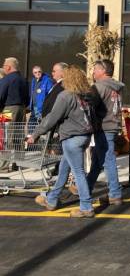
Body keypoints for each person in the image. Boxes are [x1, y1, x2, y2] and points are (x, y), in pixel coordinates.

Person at [29, 66, 97, 218]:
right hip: (84, 136)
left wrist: (35, 134)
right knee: (64, 170)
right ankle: (52, 200)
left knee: (78, 173)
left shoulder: (66, 96)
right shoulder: (85, 96)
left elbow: (52, 118)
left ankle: (86, 206)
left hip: (72, 138)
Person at [84, 59, 124, 205]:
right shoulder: (115, 87)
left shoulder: (99, 86)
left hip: (104, 127)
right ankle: (86, 187)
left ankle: (115, 193)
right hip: (112, 125)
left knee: (108, 160)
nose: (93, 72)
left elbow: (87, 104)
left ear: (103, 71)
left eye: (95, 69)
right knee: (97, 160)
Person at [0, 57, 29, 124]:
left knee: (7, 132)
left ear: (8, 67)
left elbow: (1, 95)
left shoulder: (6, 79)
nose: (3, 68)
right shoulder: (23, 79)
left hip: (8, 110)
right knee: (19, 132)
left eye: (4, 66)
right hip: (22, 110)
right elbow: (28, 97)